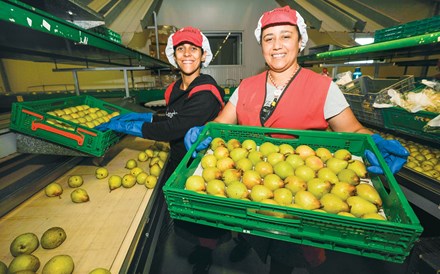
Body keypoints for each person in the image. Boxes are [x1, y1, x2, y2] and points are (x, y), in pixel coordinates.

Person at [184, 6, 409, 274]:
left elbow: (353, 130)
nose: (276, 45)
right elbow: (222, 123)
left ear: (300, 41)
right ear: (261, 45)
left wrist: (375, 142)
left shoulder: (323, 88)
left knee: (285, 254)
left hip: (298, 193)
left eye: (286, 36)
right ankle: (246, 242)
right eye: (269, 39)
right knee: (250, 229)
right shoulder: (247, 87)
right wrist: (204, 130)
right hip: (251, 185)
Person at [96, 26, 228, 273]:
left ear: (203, 55)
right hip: (178, 160)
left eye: (193, 49)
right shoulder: (173, 89)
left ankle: (206, 254)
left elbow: (174, 128)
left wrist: (134, 127)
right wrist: (146, 116)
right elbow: (168, 118)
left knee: (206, 216)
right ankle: (200, 245)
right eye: (181, 49)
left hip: (203, 166)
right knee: (188, 212)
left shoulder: (207, 91)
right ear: (174, 55)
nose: (187, 54)